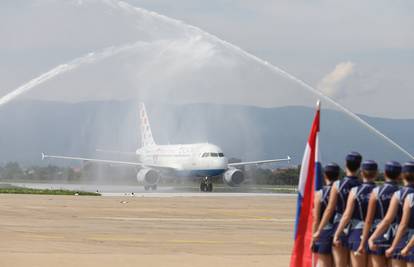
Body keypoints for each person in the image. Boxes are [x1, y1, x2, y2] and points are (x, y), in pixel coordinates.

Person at [314, 152, 362, 267]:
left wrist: (319, 230)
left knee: (339, 263)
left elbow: (330, 209)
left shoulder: (338, 185)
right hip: (356, 228)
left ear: (346, 164)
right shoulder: (361, 185)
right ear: (359, 166)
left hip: (339, 227)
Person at [369, 161, 414, 267]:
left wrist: (372, 237)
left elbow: (388, 220)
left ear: (402, 175)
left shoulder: (399, 194)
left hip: (401, 238)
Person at [333, 160, 378, 267]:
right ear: (376, 173)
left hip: (357, 233)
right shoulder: (378, 191)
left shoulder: (355, 191)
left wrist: (337, 234)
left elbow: (347, 215)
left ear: (361, 172)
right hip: (377, 234)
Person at [356, 161, 401, 267]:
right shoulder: (401, 192)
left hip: (378, 235)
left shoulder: (377, 192)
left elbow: (368, 220)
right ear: (399, 175)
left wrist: (364, 242)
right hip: (396, 236)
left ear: (384, 173)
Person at [312, 163, 340, 267]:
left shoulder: (320, 194)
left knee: (323, 263)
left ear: (325, 175)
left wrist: (314, 237)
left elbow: (316, 219)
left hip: (324, 232)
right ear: (338, 176)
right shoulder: (343, 193)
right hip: (340, 232)